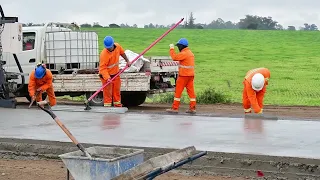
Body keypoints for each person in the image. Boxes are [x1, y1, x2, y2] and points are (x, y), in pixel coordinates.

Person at [98, 36, 131, 107]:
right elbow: (102, 68)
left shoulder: (118, 46)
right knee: (108, 93)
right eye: (107, 47)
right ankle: (107, 107)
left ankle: (118, 105)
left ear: (113, 44)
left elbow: (122, 53)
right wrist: (107, 78)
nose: (108, 48)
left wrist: (127, 61)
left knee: (116, 91)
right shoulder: (104, 54)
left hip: (115, 73)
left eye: (110, 47)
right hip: (106, 76)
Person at [166, 38, 196, 114]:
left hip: (183, 76)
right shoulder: (190, 53)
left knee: (178, 92)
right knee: (191, 92)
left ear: (182, 46)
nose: (178, 48)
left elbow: (174, 57)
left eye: (178, 46)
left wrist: (171, 49)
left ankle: (175, 108)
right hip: (191, 75)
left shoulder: (184, 53)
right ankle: (192, 108)